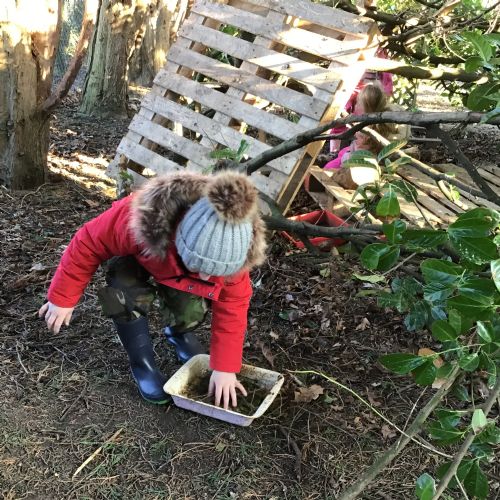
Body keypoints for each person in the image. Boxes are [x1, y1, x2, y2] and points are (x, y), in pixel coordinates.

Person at [39, 171, 267, 409]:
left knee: (191, 299)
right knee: (121, 287)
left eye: (215, 271)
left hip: (176, 270)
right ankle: (142, 363)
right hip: (140, 256)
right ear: (181, 239)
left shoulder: (236, 257)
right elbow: (87, 242)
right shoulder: (137, 218)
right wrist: (62, 298)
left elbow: (233, 309)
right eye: (200, 266)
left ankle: (179, 332)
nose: (206, 276)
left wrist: (225, 368)